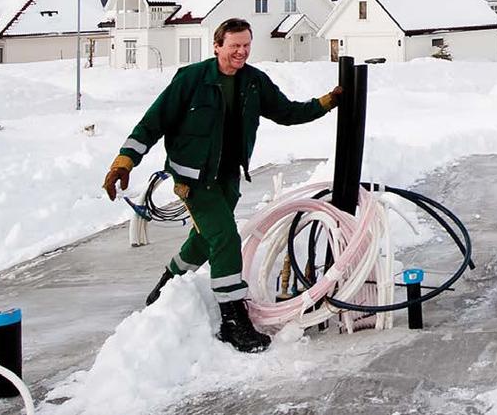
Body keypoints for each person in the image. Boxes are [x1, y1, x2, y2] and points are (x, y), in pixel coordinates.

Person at [102, 18, 341, 353]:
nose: (241, 52)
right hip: (193, 179)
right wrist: (124, 161)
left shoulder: (254, 82)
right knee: (226, 237)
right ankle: (232, 320)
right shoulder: (191, 79)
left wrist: (327, 102)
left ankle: (166, 286)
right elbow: (152, 123)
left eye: (246, 45)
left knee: (205, 239)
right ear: (217, 46)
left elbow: (287, 112)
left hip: (227, 177)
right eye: (234, 46)